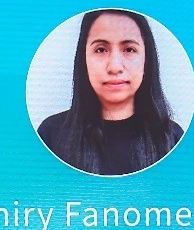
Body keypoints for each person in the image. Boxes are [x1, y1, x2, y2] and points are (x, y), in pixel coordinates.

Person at [37, 9, 184, 176]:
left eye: (129, 49)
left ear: (147, 61)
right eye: (101, 50)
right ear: (84, 60)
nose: (115, 67)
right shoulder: (50, 135)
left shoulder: (172, 139)